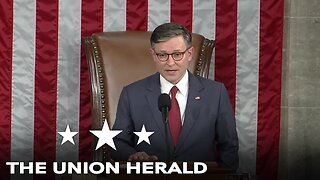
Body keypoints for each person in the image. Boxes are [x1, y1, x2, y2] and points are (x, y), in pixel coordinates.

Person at [111, 22, 239, 171]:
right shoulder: (132, 94)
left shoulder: (216, 93)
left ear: (189, 54)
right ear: (153, 55)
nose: (170, 63)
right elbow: (118, 142)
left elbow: (229, 147)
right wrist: (133, 156)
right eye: (163, 55)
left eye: (177, 54)